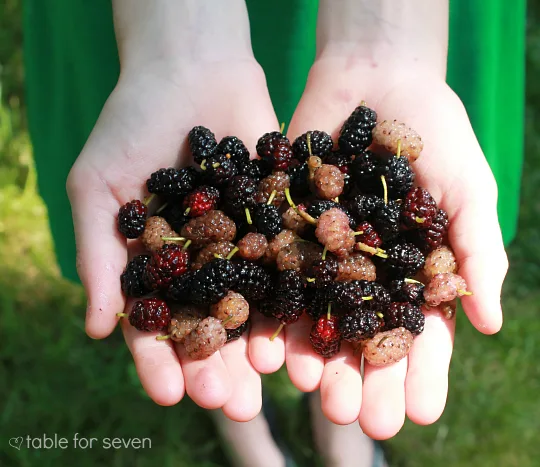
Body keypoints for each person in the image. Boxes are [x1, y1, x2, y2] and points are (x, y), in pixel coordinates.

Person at [24, 1, 522, 465]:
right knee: (230, 349)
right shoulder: (237, 229)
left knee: (319, 349)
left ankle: (341, 422)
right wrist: (175, 52)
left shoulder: (348, 228)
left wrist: (388, 45)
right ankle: (239, 419)